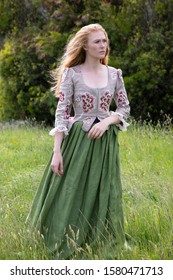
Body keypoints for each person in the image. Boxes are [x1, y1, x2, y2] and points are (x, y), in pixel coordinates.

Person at [27, 23, 130, 259]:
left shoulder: (115, 74)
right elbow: (61, 113)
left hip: (105, 144)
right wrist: (57, 151)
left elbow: (124, 107)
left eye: (104, 40)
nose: (103, 45)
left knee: (104, 189)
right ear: (84, 46)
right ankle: (62, 235)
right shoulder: (72, 74)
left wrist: (106, 123)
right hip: (77, 143)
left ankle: (99, 236)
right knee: (70, 189)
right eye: (97, 41)